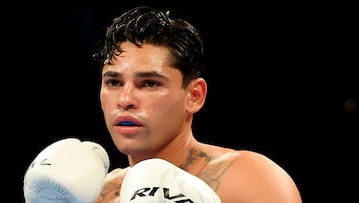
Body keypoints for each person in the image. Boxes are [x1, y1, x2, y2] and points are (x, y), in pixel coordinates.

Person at [92, 5, 302, 203]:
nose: (125, 100)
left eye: (149, 83)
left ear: (194, 95)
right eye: (113, 82)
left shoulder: (248, 179)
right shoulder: (99, 194)